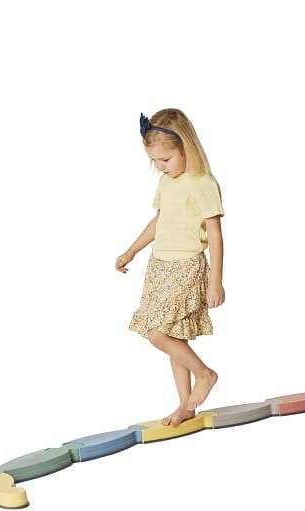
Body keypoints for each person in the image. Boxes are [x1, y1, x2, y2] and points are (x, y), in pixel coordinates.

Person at [116, 109, 225, 427]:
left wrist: (215, 281)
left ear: (186, 147)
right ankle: (185, 406)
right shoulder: (167, 182)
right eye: (155, 161)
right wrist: (131, 250)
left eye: (165, 159)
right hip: (159, 267)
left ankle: (205, 374)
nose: (160, 166)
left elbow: (215, 235)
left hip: (186, 267)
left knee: (157, 333)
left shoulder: (202, 183)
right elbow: (159, 221)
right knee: (174, 337)